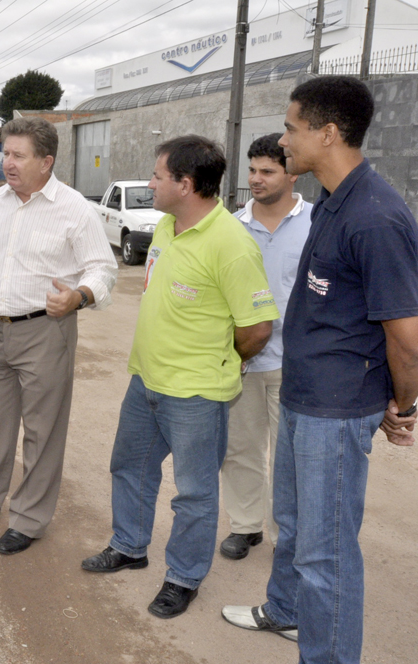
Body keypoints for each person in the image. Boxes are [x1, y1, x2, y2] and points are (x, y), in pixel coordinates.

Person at [222, 77, 418, 662]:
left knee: (325, 552)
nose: (283, 141)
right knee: (292, 522)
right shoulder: (333, 200)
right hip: (304, 394)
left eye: (291, 128)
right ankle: (285, 609)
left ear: (327, 133)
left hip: (335, 408)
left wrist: (402, 403)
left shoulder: (376, 217)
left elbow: (407, 338)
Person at [80, 135, 278, 619]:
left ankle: (184, 577)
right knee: (129, 467)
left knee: (193, 493)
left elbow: (257, 329)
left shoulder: (232, 244)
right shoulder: (168, 227)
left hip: (196, 394)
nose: (150, 184)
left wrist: (218, 360)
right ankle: (129, 545)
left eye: (157, 176)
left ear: (185, 184)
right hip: (146, 380)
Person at [0, 116, 118, 555]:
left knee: (42, 431)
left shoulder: (74, 208)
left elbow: (103, 269)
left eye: (19, 156)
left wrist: (78, 297)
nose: (8, 163)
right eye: (6, 154)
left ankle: (29, 520)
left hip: (46, 332)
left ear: (46, 162)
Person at [218, 133, 312, 561]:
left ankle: (285, 535)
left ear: (291, 174)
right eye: (252, 170)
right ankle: (245, 526)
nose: (255, 178)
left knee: (291, 457)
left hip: (297, 363)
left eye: (267, 171)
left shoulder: (317, 223)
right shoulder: (231, 227)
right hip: (244, 360)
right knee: (240, 448)